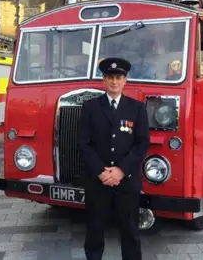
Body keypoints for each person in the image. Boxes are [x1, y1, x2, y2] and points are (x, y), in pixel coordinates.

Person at [77, 57, 150, 260]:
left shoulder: (137, 108)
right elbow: (84, 143)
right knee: (94, 229)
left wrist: (121, 170)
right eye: (110, 77)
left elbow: (142, 143)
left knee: (130, 230)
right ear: (104, 80)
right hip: (97, 181)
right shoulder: (90, 107)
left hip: (126, 181)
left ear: (125, 80)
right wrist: (101, 172)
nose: (114, 81)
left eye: (119, 77)